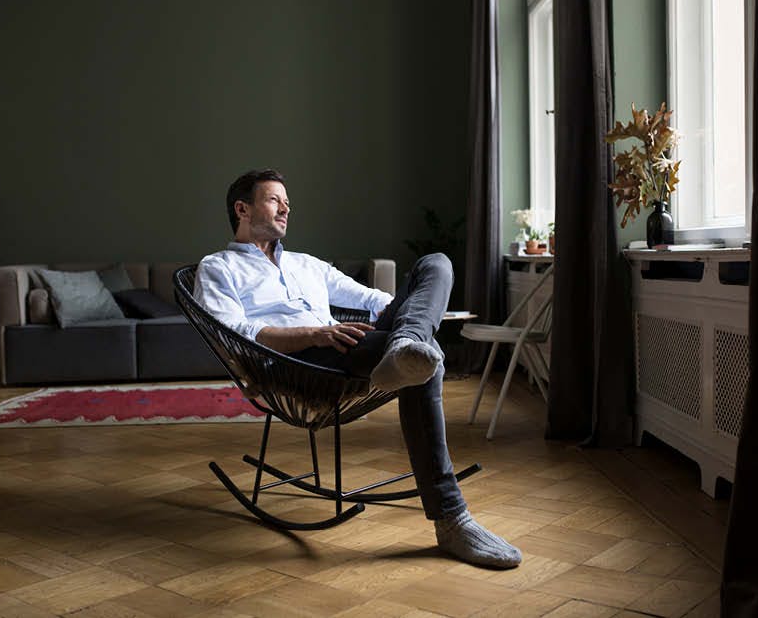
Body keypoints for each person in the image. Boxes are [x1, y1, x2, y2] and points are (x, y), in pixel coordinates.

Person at [194, 169, 522, 569]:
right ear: (242, 209)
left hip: (346, 349)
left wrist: (417, 313)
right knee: (427, 357)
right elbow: (234, 333)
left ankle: (405, 345)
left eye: (287, 202)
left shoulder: (306, 264)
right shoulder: (219, 267)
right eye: (274, 200)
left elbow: (373, 300)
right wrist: (314, 333)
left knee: (435, 264)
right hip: (297, 367)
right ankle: (451, 518)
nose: (286, 209)